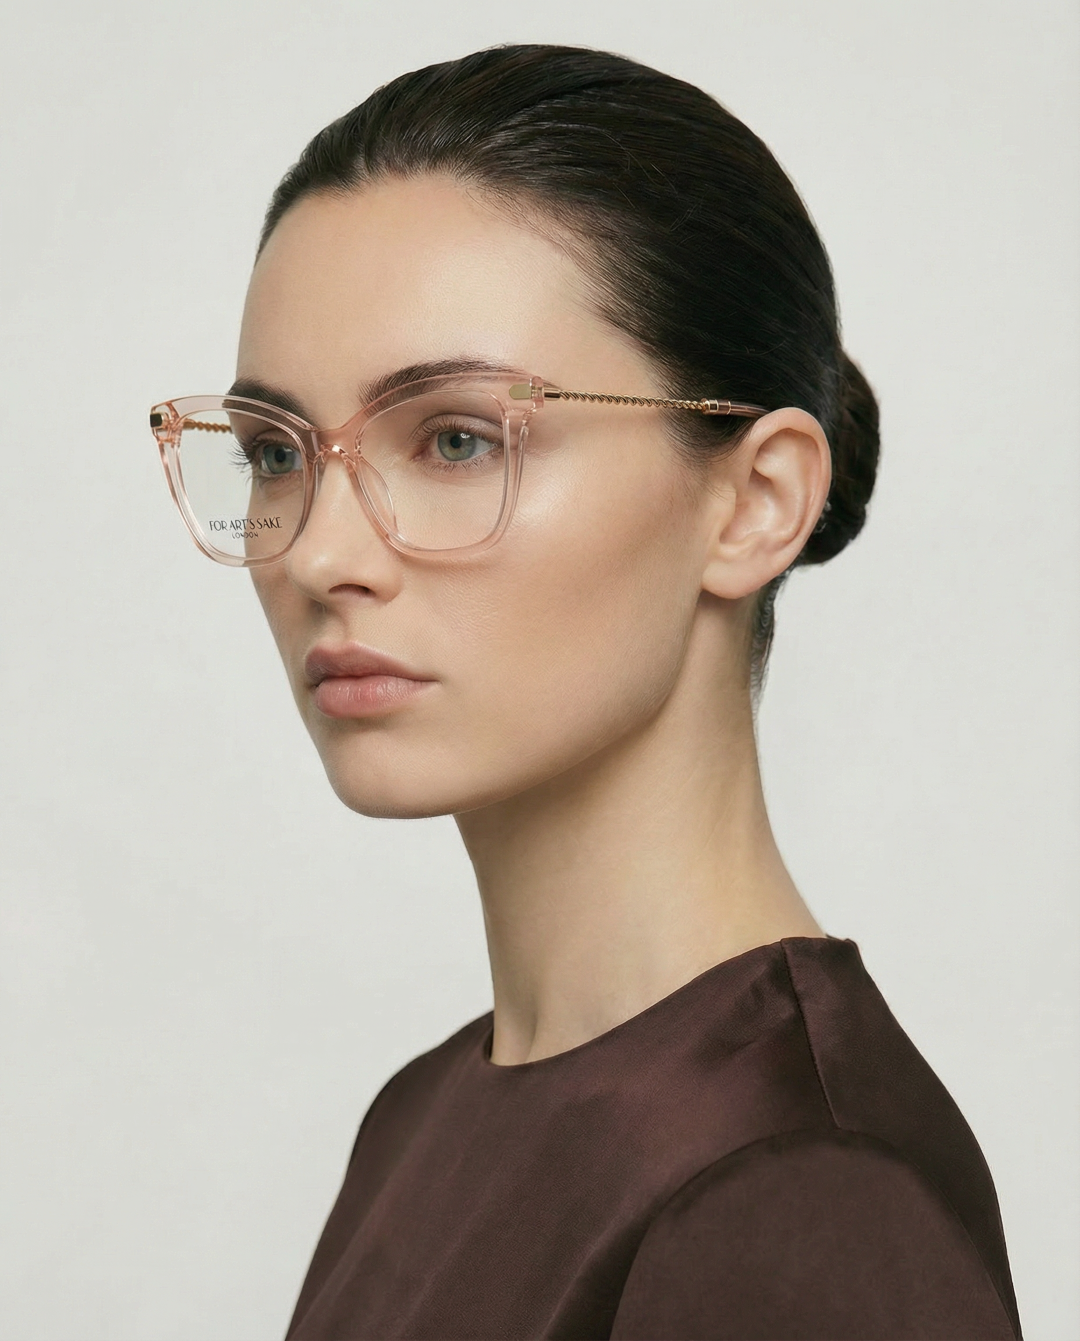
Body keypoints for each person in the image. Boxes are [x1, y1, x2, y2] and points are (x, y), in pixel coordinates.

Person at [149, 43, 1023, 1341]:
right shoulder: (429, 1116)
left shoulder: (801, 1198)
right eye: (279, 451)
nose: (323, 554)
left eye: (456, 437)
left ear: (755, 501)